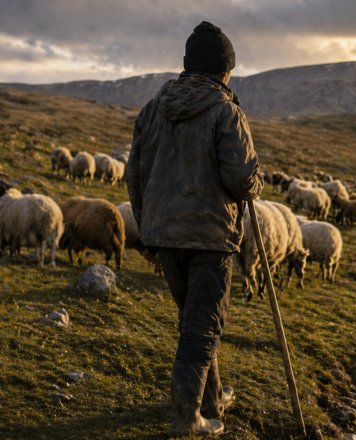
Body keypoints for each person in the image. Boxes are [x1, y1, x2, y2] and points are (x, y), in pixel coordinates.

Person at [126, 21, 263, 436]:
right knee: (203, 325)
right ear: (224, 69)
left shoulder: (152, 109)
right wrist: (255, 181)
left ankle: (211, 398)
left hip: (164, 232)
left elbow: (134, 175)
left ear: (188, 65)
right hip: (209, 235)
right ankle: (187, 418)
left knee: (194, 318)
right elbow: (240, 179)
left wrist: (148, 228)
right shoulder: (226, 111)